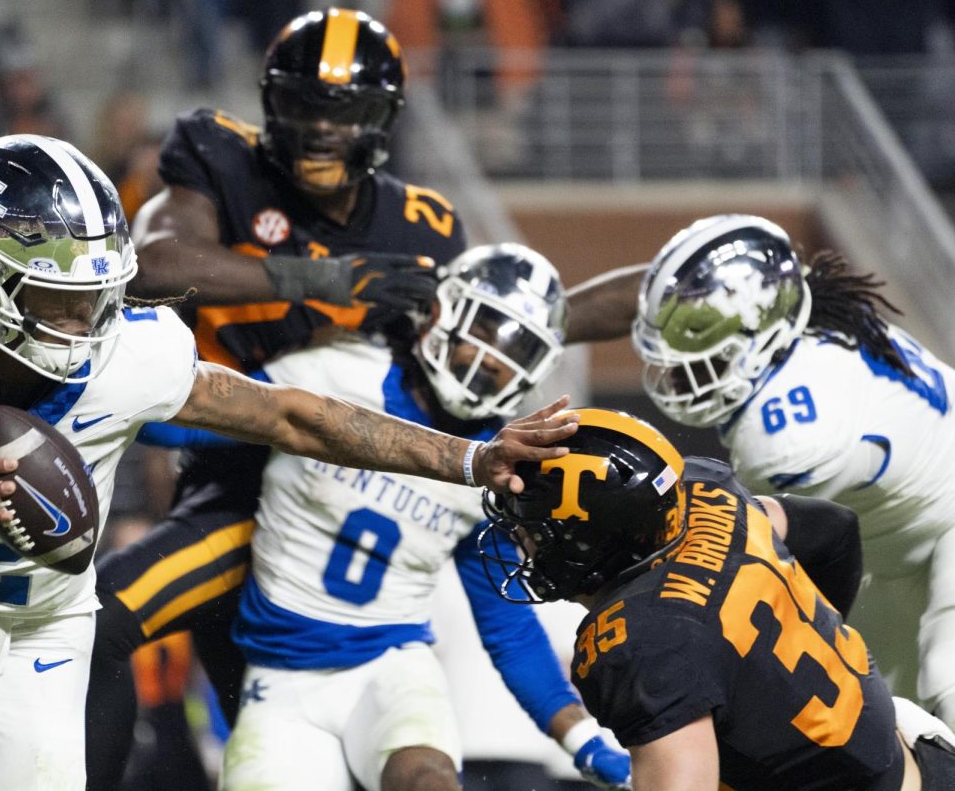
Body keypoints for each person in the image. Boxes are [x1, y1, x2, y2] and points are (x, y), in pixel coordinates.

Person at [0, 134, 578, 791]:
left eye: (99, 297)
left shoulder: (132, 354)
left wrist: (470, 458)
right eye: (58, 298)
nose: (86, 324)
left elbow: (295, 415)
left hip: (29, 647)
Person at [88, 8, 468, 787]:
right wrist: (322, 278)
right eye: (306, 109)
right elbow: (150, 265)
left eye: (347, 114)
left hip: (334, 497)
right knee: (232, 724)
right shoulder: (220, 154)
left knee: (108, 627)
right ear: (270, 104)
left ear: (383, 118)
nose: (324, 133)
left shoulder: (425, 227)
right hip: (230, 471)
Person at [220, 244, 630, 790]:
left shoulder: (496, 460)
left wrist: (585, 742)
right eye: (486, 329)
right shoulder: (334, 370)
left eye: (518, 347)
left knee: (428, 782)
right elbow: (188, 415)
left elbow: (506, 626)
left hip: (392, 665)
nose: (493, 359)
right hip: (281, 677)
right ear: (441, 312)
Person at [478, 407, 955, 789]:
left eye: (535, 528)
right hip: (922, 756)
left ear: (588, 539)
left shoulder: (642, 638)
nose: (523, 539)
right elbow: (834, 530)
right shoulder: (703, 493)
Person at [630, 214, 955, 727]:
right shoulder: (806, 324)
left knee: (946, 676)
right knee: (881, 717)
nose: (673, 371)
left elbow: (733, 546)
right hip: (910, 547)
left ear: (759, 333)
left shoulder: (783, 435)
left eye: (697, 349)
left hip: (936, 531)